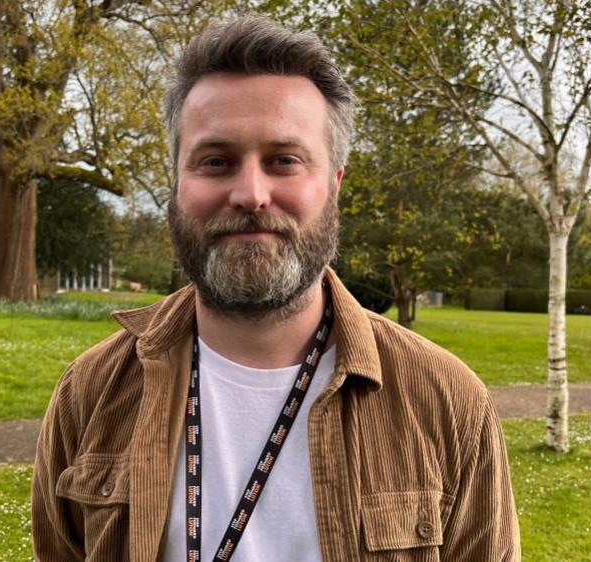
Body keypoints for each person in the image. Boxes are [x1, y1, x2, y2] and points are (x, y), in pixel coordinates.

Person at [32, 15, 520, 562]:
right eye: (215, 161)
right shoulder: (91, 395)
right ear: (176, 183)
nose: (251, 193)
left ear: (333, 184)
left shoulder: (448, 403)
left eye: (283, 160)